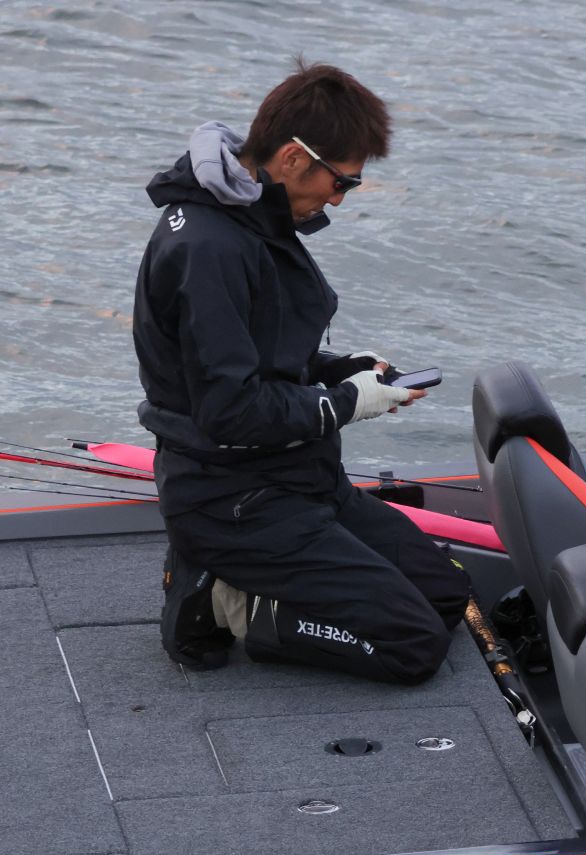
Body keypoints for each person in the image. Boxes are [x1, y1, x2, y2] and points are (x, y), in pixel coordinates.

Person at [132, 60, 469, 685]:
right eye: (343, 182)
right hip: (232, 500)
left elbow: (261, 350)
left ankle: (253, 584)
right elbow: (230, 410)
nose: (339, 199)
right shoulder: (208, 248)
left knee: (447, 595)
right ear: (292, 158)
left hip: (301, 477)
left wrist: (347, 369)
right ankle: (221, 599)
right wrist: (345, 402)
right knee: (413, 644)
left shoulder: (254, 215)